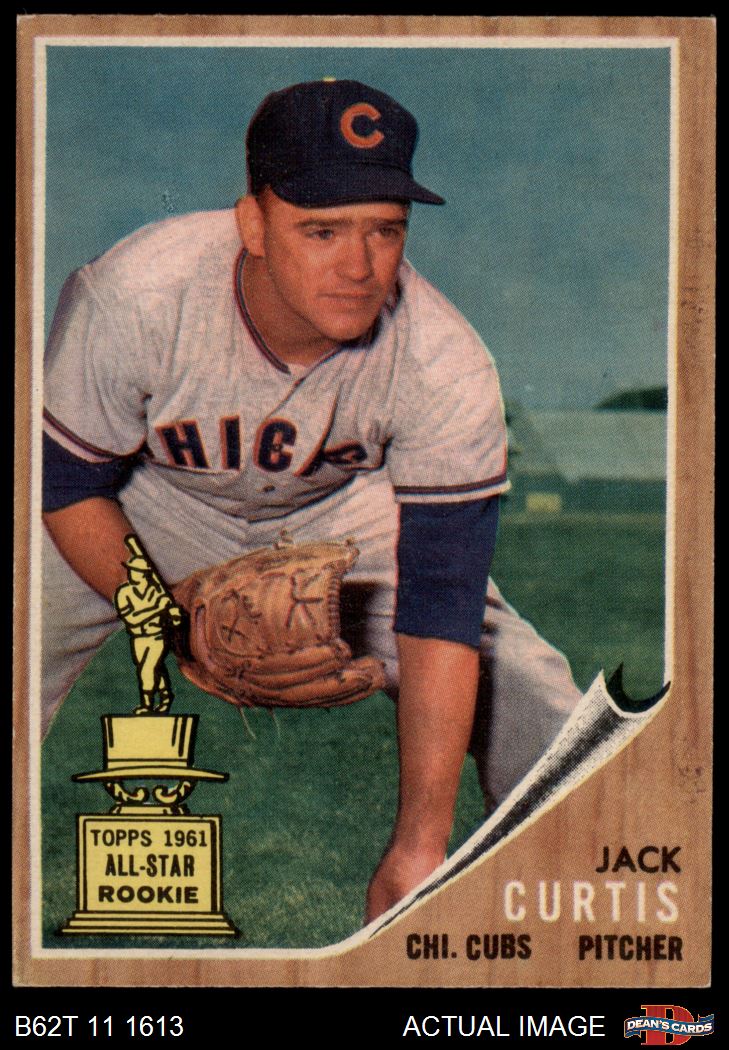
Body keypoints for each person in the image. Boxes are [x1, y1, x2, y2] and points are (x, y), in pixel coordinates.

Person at [42, 78, 581, 922]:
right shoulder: (135, 294)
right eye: (322, 230)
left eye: (384, 230)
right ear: (252, 224)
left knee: (532, 689)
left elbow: (441, 599)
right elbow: (68, 486)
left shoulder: (443, 360)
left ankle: (571, 902)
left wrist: (419, 843)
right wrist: (172, 620)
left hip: (339, 517)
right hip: (145, 501)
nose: (359, 266)